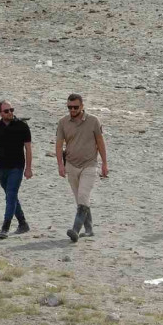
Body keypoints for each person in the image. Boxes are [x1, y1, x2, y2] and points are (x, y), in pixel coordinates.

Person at [56, 93, 108, 242]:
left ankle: (75, 230)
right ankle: (89, 229)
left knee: (83, 196)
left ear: (82, 106)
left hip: (89, 164)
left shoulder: (93, 121)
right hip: (71, 165)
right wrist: (60, 165)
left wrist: (104, 163)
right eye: (69, 107)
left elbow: (100, 143)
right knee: (80, 199)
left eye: (75, 107)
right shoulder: (63, 123)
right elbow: (59, 145)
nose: (72, 110)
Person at [0, 100, 33, 239]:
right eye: (6, 111)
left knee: (11, 195)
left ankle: (5, 227)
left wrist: (28, 168)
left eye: (11, 110)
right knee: (10, 196)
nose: (10, 113)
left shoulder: (22, 126)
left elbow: (28, 149)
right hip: (0, 167)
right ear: (0, 113)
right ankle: (23, 223)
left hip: (17, 167)